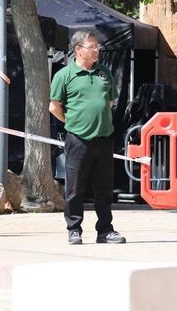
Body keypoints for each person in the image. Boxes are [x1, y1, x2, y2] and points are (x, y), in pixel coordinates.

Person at [49, 30, 125, 245]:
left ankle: (105, 231)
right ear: (78, 50)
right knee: (75, 188)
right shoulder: (64, 75)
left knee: (104, 188)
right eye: (92, 47)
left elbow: (110, 102)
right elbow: (54, 106)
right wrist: (72, 123)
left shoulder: (104, 72)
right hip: (78, 140)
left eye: (97, 46)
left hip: (104, 139)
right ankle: (74, 229)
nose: (97, 50)